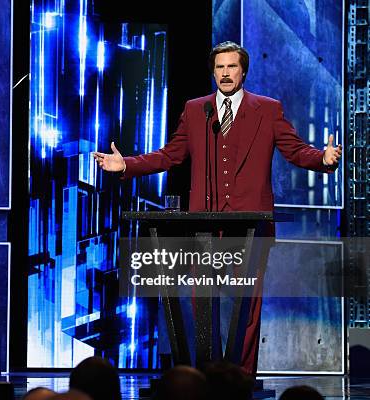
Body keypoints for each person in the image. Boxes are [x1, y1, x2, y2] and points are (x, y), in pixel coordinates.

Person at [93, 41, 342, 374]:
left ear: (244, 70)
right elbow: (171, 154)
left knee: (248, 306)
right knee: (202, 301)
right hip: (204, 228)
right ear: (213, 71)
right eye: (220, 67)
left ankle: (242, 378)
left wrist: (323, 159)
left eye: (232, 67)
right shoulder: (197, 110)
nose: (225, 73)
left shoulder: (267, 109)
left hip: (252, 226)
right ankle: (207, 376)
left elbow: (294, 150)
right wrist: (127, 165)